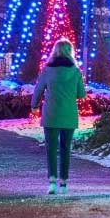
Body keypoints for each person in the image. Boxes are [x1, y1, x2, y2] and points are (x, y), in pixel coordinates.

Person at [31, 39, 86, 195]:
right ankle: (64, 183)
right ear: (70, 52)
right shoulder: (76, 72)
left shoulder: (47, 70)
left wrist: (34, 106)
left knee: (51, 148)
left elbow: (38, 90)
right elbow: (81, 94)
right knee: (65, 149)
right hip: (69, 115)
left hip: (51, 114)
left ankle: (52, 182)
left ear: (54, 51)